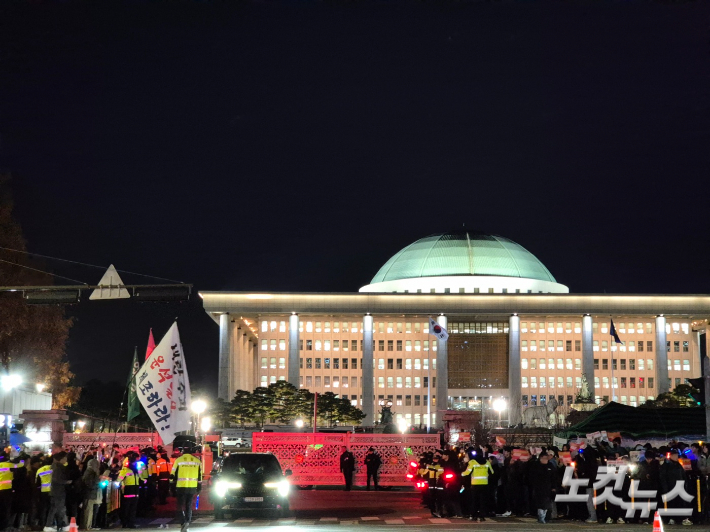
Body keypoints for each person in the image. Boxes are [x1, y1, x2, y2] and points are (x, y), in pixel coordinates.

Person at [170, 446, 202, 532]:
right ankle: (187, 521)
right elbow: (200, 476)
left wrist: (171, 484)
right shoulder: (197, 461)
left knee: (180, 505)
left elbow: (173, 473)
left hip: (181, 486)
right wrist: (199, 487)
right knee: (189, 505)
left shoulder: (179, 460)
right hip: (192, 486)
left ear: (183, 451)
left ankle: (182, 522)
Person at [660, 449, 691, 526]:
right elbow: (663, 477)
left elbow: (683, 476)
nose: (677, 457)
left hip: (680, 487)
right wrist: (665, 488)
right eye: (675, 455)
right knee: (672, 503)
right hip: (671, 487)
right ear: (671, 456)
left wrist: (685, 484)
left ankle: (682, 518)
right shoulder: (666, 465)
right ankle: (671, 518)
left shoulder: (678, 465)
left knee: (681, 503)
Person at [461, 454, 494, 521]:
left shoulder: (472, 462)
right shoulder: (487, 462)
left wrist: (461, 474)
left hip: (475, 484)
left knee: (474, 501)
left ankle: (473, 515)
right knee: (482, 501)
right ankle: (482, 516)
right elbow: (492, 472)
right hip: (484, 484)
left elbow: (467, 472)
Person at [44, 452, 70, 532]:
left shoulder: (54, 467)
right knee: (61, 509)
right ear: (61, 459)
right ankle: (65, 525)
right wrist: (66, 482)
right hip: (58, 492)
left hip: (54, 491)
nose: (66, 460)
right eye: (65, 458)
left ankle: (49, 525)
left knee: (54, 509)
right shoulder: (58, 468)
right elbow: (57, 480)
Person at [531, 452, 557, 524]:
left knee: (547, 503)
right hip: (538, 488)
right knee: (539, 503)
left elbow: (554, 477)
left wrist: (554, 487)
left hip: (548, 488)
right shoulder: (536, 466)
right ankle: (540, 517)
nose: (546, 460)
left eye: (547, 458)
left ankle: (547, 518)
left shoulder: (550, 466)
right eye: (545, 458)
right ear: (541, 458)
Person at [118, 453, 140, 529]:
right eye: (134, 462)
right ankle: (125, 523)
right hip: (128, 490)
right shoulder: (125, 470)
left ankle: (131, 523)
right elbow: (119, 479)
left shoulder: (136, 470)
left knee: (133, 509)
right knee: (126, 508)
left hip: (135, 491)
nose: (135, 464)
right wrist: (123, 484)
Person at [81, 459, 102, 531]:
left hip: (91, 494)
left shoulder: (91, 472)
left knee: (90, 511)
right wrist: (98, 485)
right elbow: (89, 484)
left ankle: (89, 526)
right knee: (88, 511)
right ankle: (87, 526)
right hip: (89, 494)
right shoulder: (89, 473)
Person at [36, 457, 53, 529]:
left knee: (43, 508)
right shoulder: (53, 469)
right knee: (51, 509)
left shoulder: (39, 470)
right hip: (52, 491)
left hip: (43, 491)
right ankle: (49, 524)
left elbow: (37, 483)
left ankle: (42, 524)